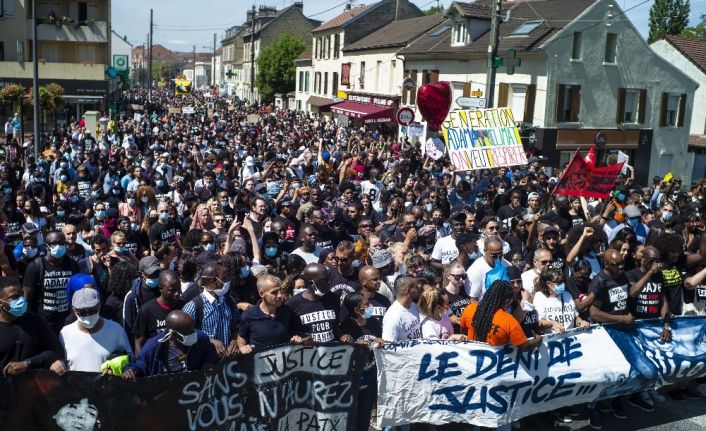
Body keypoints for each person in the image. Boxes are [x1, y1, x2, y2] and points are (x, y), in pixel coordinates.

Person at [587, 249, 632, 428]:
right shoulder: (599, 281)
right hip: (605, 332)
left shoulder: (623, 276)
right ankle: (593, 407)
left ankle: (615, 402)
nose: (621, 267)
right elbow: (594, 313)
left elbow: (625, 300)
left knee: (623, 370)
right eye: (616, 264)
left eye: (623, 263)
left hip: (623, 330)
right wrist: (620, 318)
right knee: (603, 374)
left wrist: (626, 314)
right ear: (606, 264)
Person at [122, 310, 218, 379]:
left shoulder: (200, 339)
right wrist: (130, 371)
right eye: (188, 332)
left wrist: (209, 362)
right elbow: (139, 366)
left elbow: (209, 352)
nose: (193, 334)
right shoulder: (152, 349)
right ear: (173, 334)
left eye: (192, 330)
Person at [59, 288, 132, 372]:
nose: (88, 315)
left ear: (99, 306)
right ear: (74, 310)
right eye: (82, 312)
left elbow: (130, 359)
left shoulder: (116, 331)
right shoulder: (65, 334)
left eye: (92, 311)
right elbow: (60, 361)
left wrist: (114, 367)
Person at [339, 292, 383, 431]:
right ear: (357, 310)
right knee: (350, 418)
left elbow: (382, 340)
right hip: (351, 379)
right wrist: (354, 346)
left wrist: (380, 341)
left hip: (369, 377)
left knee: (364, 417)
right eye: (366, 305)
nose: (370, 307)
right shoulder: (345, 327)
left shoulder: (374, 323)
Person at [460, 279, 542, 351]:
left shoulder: (469, 308)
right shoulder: (509, 321)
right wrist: (537, 341)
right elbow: (524, 346)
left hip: (471, 362)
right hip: (494, 365)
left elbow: (463, 334)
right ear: (507, 301)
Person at [22, 230, 79, 334]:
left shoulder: (72, 264)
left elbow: (76, 291)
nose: (59, 246)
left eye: (62, 243)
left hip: (67, 319)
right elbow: (27, 297)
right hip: (44, 320)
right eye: (54, 244)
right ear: (46, 246)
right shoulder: (35, 266)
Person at [237, 274, 310, 353]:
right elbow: (241, 338)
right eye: (274, 292)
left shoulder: (287, 311)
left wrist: (298, 337)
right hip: (260, 363)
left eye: (280, 291)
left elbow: (296, 331)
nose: (279, 295)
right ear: (261, 294)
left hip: (286, 362)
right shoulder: (249, 315)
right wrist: (242, 347)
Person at [183, 262, 240, 358]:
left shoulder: (229, 301)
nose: (228, 281)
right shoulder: (193, 306)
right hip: (203, 363)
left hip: (227, 362)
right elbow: (184, 336)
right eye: (225, 278)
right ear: (214, 281)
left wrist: (234, 340)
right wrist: (209, 341)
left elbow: (237, 325)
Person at [286, 263, 346, 343]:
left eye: (329, 279)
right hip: (307, 353)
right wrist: (297, 338)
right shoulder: (292, 304)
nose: (329, 282)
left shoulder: (334, 299)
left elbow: (335, 326)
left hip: (331, 353)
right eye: (324, 280)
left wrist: (342, 336)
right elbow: (287, 331)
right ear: (311, 283)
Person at [133, 269, 183, 354]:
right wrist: (141, 363)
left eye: (179, 289)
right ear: (161, 288)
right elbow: (138, 343)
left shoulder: (184, 307)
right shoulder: (147, 310)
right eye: (172, 290)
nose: (177, 293)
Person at [532, 266, 589, 333]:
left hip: (570, 336)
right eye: (559, 282)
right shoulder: (540, 297)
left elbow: (576, 317)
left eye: (563, 281)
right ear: (549, 284)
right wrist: (552, 323)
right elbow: (539, 322)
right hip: (552, 339)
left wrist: (581, 322)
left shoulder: (567, 295)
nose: (562, 284)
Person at [467, 237, 510, 301]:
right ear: (485, 251)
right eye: (494, 255)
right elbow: (473, 299)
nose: (498, 258)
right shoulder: (476, 269)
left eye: (500, 254)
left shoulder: (507, 265)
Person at [382, 276, 421, 342]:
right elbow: (388, 345)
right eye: (416, 287)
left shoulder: (414, 306)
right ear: (408, 290)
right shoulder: (393, 316)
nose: (419, 289)